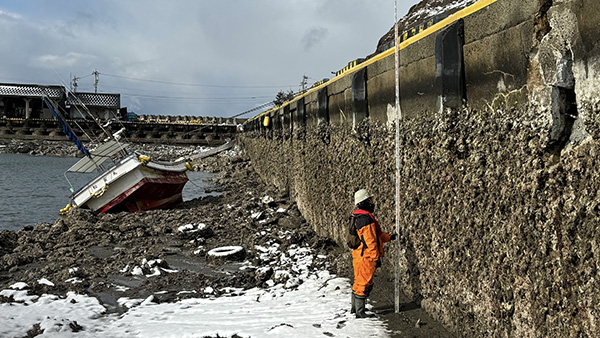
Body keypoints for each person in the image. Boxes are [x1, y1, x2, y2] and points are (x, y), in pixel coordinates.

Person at [350, 189, 396, 318]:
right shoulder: (366, 219)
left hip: (359, 255)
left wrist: (389, 237)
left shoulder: (357, 217)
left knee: (358, 282)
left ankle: (355, 309)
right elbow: (370, 241)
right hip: (366, 257)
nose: (372, 203)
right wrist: (376, 258)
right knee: (364, 283)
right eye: (370, 200)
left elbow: (377, 236)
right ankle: (360, 312)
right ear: (364, 202)